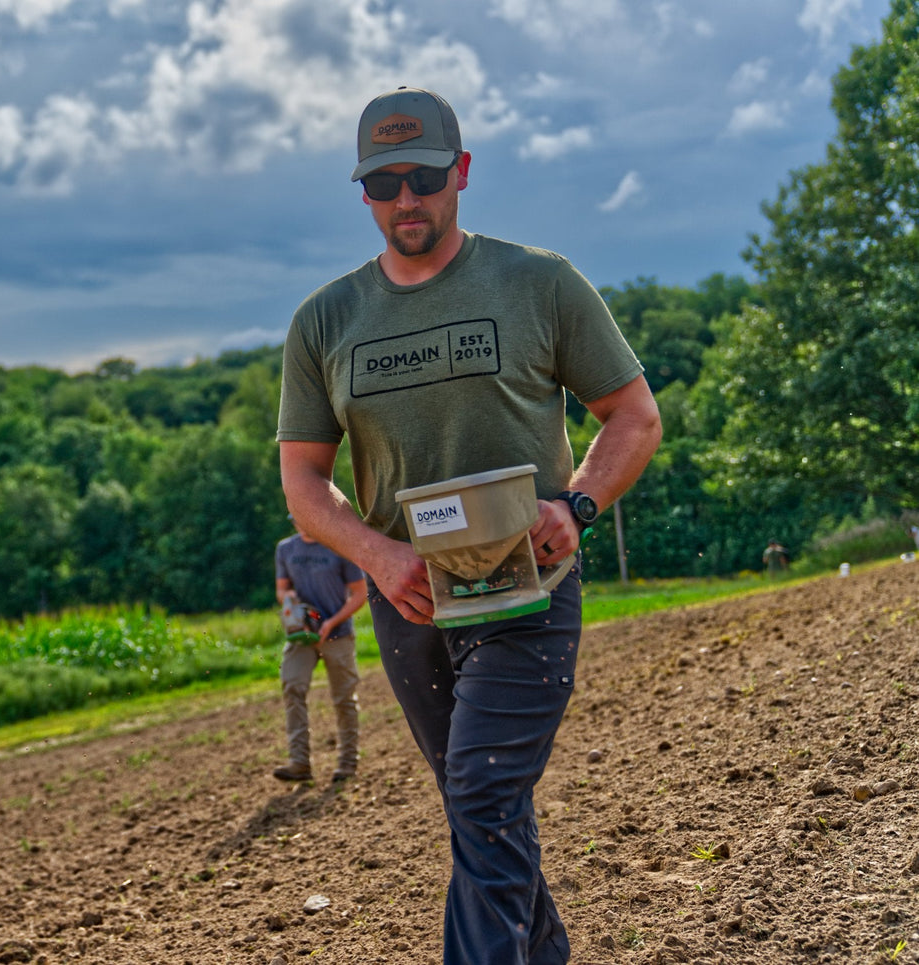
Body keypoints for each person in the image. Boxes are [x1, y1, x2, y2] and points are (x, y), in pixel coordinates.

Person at [277, 87, 662, 965]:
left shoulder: (539, 282)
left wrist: (577, 506)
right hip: (408, 606)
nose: (405, 199)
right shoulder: (324, 321)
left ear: (461, 172)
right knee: (478, 806)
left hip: (529, 591)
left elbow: (631, 415)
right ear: (363, 192)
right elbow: (304, 483)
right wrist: (376, 556)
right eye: (383, 184)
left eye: (421, 177)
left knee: (482, 797)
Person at [273, 520, 367, 784]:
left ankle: (348, 763)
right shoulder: (285, 549)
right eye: (294, 519)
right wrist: (291, 603)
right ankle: (299, 763)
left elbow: (360, 594)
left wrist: (330, 622)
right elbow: (282, 589)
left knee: (344, 699)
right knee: (292, 685)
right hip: (301, 635)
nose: (300, 524)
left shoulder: (338, 547)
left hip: (337, 634)